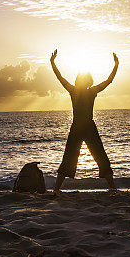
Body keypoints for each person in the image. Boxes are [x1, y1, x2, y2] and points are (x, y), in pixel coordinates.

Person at [50, 49, 119, 193]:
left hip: (80, 127)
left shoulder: (75, 90)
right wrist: (116, 64)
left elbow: (60, 77)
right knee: (96, 155)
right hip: (86, 126)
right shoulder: (89, 91)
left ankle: (56, 189)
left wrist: (52, 62)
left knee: (73, 156)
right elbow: (109, 80)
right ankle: (113, 188)